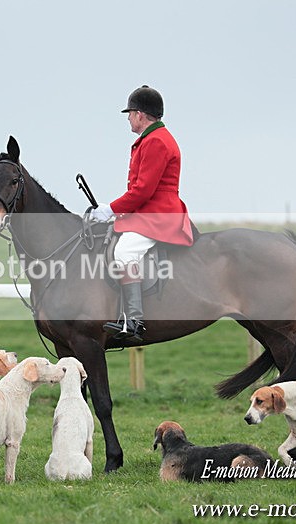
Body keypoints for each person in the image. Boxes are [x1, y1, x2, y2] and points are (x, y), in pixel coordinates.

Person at [91, 85, 194, 341]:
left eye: (130, 113)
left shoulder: (157, 141)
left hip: (159, 214)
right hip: (148, 212)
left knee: (124, 251)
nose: (128, 118)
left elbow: (143, 191)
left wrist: (110, 209)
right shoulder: (151, 139)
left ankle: (134, 321)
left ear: (140, 114)